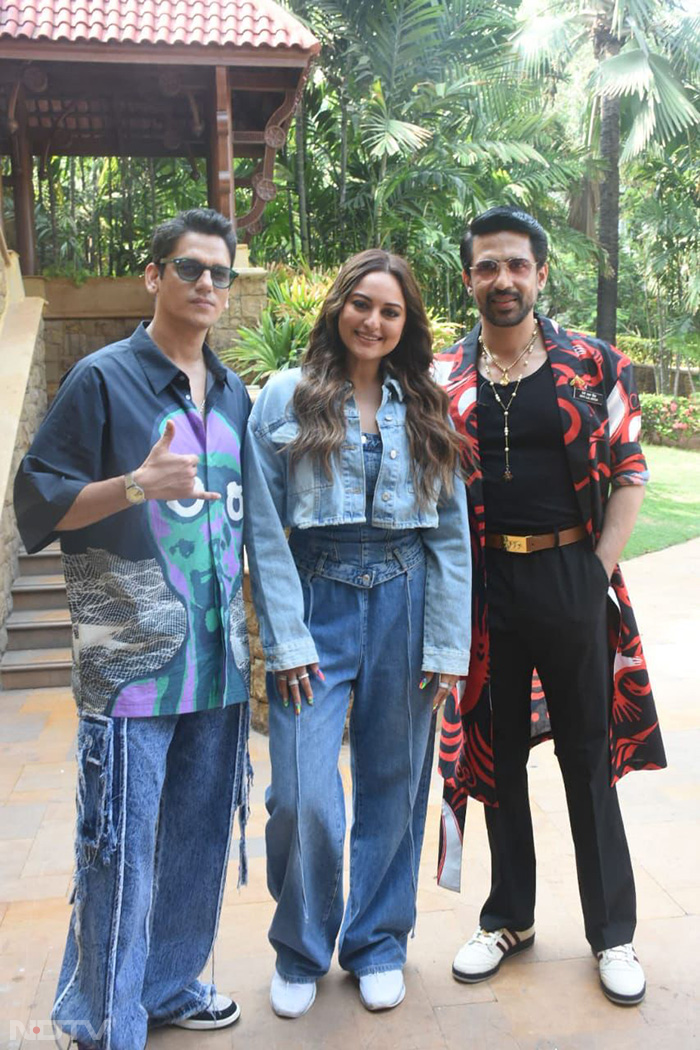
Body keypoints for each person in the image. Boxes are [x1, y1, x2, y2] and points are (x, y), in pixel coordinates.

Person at [14, 208, 252, 1050]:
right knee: (118, 848)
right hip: (132, 666)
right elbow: (36, 505)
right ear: (154, 276)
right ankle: (101, 1017)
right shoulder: (101, 380)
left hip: (218, 663)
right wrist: (134, 486)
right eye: (189, 269)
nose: (207, 285)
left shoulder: (233, 392)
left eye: (219, 273)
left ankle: (171, 982)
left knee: (192, 843)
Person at [434, 206, 666, 1006]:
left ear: (539, 273)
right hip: (484, 592)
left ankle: (614, 933)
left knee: (587, 760)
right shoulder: (444, 377)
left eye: (517, 265)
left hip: (571, 574)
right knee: (496, 761)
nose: (504, 279)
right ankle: (509, 917)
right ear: (469, 279)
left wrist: (595, 569)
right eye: (487, 266)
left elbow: (630, 469)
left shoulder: (594, 363)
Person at [244, 248, 471, 1017]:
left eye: (391, 310)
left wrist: (446, 648)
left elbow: (450, 536)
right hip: (317, 598)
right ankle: (302, 947)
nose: (373, 321)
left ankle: (378, 941)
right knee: (302, 795)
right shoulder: (282, 398)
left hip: (406, 601)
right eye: (362, 304)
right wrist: (287, 638)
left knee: (392, 785)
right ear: (338, 306)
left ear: (406, 324)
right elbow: (266, 534)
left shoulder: (427, 408)